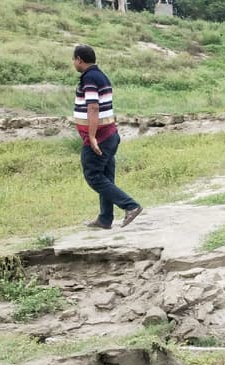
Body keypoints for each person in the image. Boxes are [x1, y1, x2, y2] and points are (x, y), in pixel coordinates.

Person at [73, 44, 142, 229]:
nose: (74, 63)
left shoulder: (89, 78)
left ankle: (130, 206)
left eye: (74, 59)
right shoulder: (100, 75)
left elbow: (93, 107)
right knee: (105, 176)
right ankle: (105, 219)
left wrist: (92, 136)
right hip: (110, 134)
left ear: (79, 59)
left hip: (100, 137)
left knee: (93, 175)